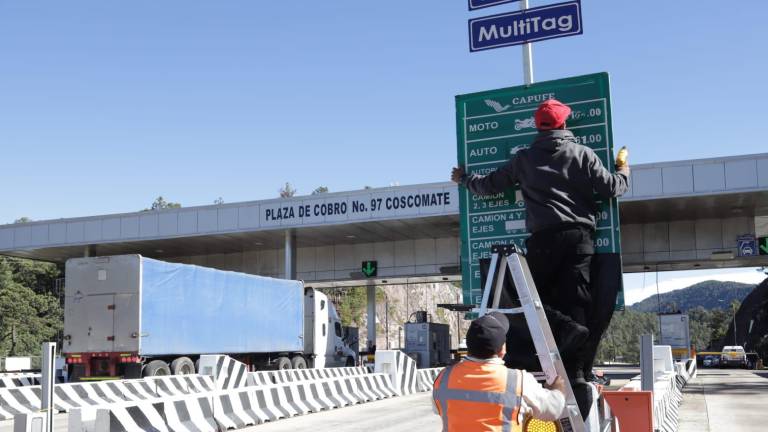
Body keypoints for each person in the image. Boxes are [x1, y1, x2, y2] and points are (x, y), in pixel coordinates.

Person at [451, 99, 630, 417]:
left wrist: (464, 179)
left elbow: (491, 184)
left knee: (531, 302)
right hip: (579, 241)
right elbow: (613, 188)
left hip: (542, 242)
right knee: (576, 306)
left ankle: (549, 354)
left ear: (538, 126)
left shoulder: (524, 159)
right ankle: (574, 375)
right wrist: (623, 168)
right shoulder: (582, 154)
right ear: (563, 125)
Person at [433, 312, 566, 431]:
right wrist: (557, 390)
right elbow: (553, 410)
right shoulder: (518, 381)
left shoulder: (443, 378)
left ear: (468, 346)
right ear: (502, 349)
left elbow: (439, 409)